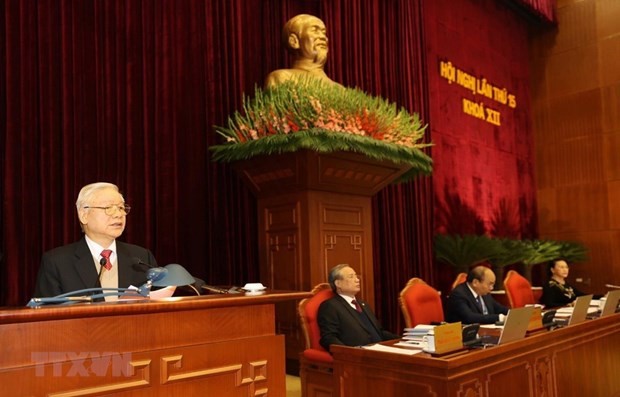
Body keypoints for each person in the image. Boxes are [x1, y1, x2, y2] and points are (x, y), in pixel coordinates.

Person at [34, 182, 157, 299]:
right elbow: (46, 315)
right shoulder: (57, 262)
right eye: (108, 207)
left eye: (121, 207)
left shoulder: (142, 258)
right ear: (84, 215)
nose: (118, 214)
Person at [317, 264, 398, 352]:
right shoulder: (330, 306)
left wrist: (403, 339)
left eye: (356, 276)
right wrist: (349, 354)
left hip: (380, 350)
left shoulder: (364, 304)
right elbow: (328, 338)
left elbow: (380, 333)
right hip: (358, 356)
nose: (357, 280)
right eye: (351, 277)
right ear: (338, 283)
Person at [265, 14, 341, 88]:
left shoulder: (340, 90)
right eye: (315, 31)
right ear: (294, 41)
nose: (323, 37)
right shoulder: (283, 78)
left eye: (324, 33)